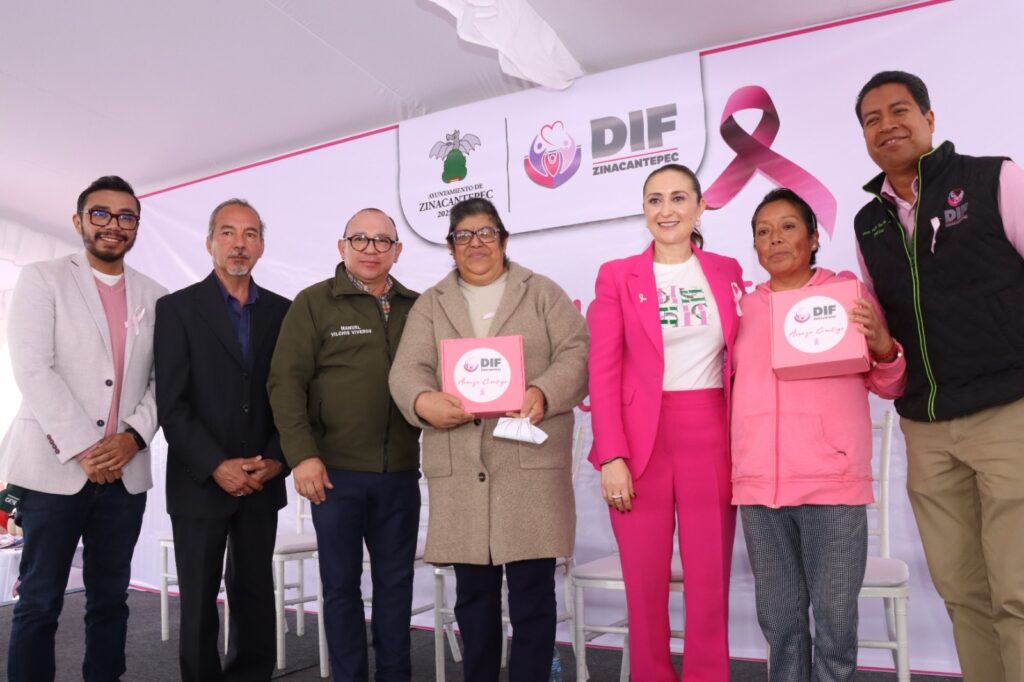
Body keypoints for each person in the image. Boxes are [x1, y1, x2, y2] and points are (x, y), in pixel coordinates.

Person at [854, 70, 1024, 682]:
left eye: (899, 110)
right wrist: (881, 351)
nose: (887, 125)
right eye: (872, 119)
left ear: (929, 118)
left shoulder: (994, 178)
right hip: (926, 429)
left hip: (1009, 412)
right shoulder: (868, 224)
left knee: (1018, 590)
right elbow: (887, 340)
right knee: (961, 591)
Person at [389, 197, 588, 682]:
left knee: (532, 597)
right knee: (473, 600)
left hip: (528, 471)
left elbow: (577, 353)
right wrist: (423, 401)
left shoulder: (541, 292)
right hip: (461, 469)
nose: (476, 243)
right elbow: (407, 370)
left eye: (486, 233)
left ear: (503, 239)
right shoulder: (432, 304)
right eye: (464, 235)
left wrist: (543, 391)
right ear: (450, 246)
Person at [732, 188, 906, 681]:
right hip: (759, 489)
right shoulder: (740, 311)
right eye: (763, 231)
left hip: (833, 485)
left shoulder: (847, 297)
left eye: (787, 227)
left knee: (835, 626)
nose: (774, 239)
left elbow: (890, 384)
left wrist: (884, 347)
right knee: (780, 625)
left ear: (813, 238)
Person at [0, 175, 167, 682]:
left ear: (136, 225)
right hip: (53, 471)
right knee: (39, 601)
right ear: (78, 221)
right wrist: (86, 449)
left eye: (126, 216)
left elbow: (165, 380)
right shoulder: (42, 278)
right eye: (101, 214)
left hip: (125, 472)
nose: (113, 225)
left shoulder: (158, 296)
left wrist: (132, 437)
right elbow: (33, 369)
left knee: (111, 599)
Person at [586, 163, 743, 681]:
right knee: (644, 582)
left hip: (711, 435)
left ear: (700, 206)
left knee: (709, 581)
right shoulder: (617, 275)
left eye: (678, 198)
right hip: (639, 444)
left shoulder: (726, 270)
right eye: (655, 200)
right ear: (644, 210)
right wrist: (612, 455)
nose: (666, 209)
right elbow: (603, 371)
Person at [267, 208, 422, 681]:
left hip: (399, 473)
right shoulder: (313, 303)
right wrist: (302, 456)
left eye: (382, 241)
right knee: (340, 588)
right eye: (360, 239)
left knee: (396, 587)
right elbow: (285, 384)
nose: (371, 249)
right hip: (334, 474)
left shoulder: (418, 307)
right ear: (342, 246)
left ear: (397, 250)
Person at [154, 198, 290, 682]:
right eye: (228, 232)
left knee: (254, 595)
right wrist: (216, 464)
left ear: (262, 246)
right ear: (210, 242)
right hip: (200, 480)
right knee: (198, 601)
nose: (239, 243)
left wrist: (276, 459)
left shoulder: (284, 312)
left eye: (250, 234)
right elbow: (171, 404)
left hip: (262, 477)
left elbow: (294, 395)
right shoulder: (176, 309)